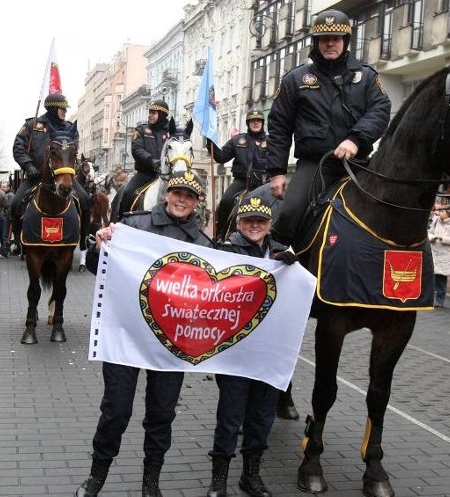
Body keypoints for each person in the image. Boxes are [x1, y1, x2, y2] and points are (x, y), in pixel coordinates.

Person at [76, 170, 214, 497]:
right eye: (177, 192)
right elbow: (98, 268)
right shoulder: (134, 226)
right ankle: (97, 475)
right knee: (116, 411)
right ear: (167, 193)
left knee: (162, 415)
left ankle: (151, 481)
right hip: (127, 337)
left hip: (170, 347)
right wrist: (99, 246)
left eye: (189, 196)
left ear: (197, 202)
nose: (181, 200)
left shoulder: (203, 244)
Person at [266, 9, 392, 245]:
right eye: (324, 39)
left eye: (336, 38)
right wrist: (276, 172)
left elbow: (380, 110)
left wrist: (355, 139)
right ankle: (279, 263)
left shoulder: (366, 77)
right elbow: (279, 127)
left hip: (359, 164)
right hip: (315, 164)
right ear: (316, 42)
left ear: (346, 41)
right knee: (290, 212)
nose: (330, 44)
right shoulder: (295, 79)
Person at [207, 194, 297, 497]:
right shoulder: (224, 251)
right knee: (230, 416)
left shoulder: (282, 253)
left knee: (262, 417)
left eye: (260, 221)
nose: (254, 226)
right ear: (238, 223)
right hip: (236, 352)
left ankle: (251, 475)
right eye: (248, 221)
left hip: (270, 353)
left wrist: (292, 268)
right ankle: (219, 478)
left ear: (269, 224)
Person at [10, 93, 76, 239]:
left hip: (63, 176)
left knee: (85, 201)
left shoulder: (70, 128)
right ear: (53, 108)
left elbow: (74, 151)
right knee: (15, 204)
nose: (65, 111)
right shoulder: (32, 125)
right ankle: (16, 239)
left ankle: (84, 243)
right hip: (36, 176)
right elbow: (18, 148)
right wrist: (29, 166)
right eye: (63, 108)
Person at [207, 109, 269, 242]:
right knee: (225, 201)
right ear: (248, 123)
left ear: (262, 122)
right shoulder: (237, 140)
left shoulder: (271, 141)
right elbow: (222, 157)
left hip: (264, 183)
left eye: (258, 120)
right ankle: (220, 235)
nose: (256, 123)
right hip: (242, 182)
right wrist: (210, 143)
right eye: (253, 120)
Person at [116, 100, 171, 221]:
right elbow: (137, 149)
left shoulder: (170, 134)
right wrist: (152, 161)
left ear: (162, 115)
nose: (150, 115)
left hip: (166, 176)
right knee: (127, 192)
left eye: (153, 113)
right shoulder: (141, 130)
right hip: (145, 174)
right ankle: (121, 221)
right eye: (149, 112)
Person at [428, 208, 450, 307]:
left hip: (445, 255)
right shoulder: (435, 221)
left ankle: (439, 300)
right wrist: (432, 237)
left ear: (448, 213)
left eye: (443, 211)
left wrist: (444, 239)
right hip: (434, 252)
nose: (440, 213)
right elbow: (429, 232)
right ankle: (430, 299)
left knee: (441, 278)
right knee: (432, 278)